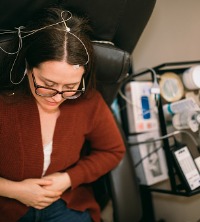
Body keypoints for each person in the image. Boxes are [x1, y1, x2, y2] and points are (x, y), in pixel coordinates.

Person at [0, 6, 125, 222]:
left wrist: (68, 178)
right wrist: (14, 190)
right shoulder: (4, 103)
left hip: (65, 203)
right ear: (28, 68)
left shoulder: (88, 102)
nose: (57, 97)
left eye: (71, 86)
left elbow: (112, 150)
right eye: (47, 84)